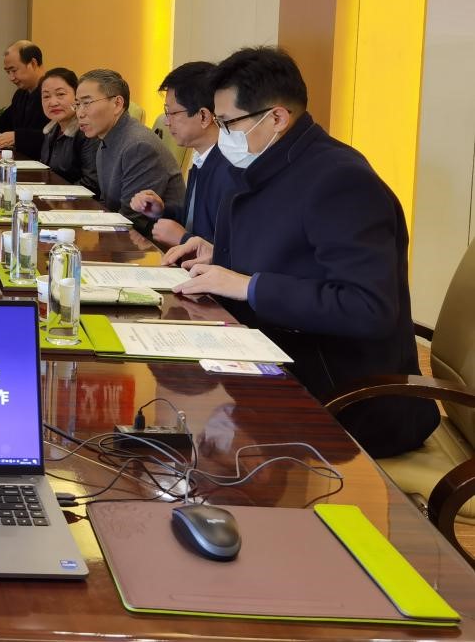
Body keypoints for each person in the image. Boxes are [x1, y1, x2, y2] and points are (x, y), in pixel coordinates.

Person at [164, 47, 437, 458]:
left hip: (346, 396)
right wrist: (219, 255)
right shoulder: (265, 165)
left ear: (276, 118)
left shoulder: (341, 181)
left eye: (229, 123)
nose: (223, 136)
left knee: (196, 451)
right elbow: (294, 256)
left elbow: (368, 307)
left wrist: (247, 285)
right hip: (278, 362)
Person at [130, 61, 237, 247]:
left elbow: (230, 249)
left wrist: (183, 239)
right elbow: (194, 220)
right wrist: (161, 211)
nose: (167, 122)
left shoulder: (230, 169)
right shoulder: (203, 158)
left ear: (203, 116)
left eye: (172, 113)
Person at [73, 68, 184, 237]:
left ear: (117, 104)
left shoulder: (138, 146)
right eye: (77, 104)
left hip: (151, 244)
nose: (80, 113)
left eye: (87, 103)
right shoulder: (106, 139)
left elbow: (132, 219)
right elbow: (106, 204)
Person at [37, 67, 98, 193]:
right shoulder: (51, 130)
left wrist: (56, 195)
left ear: (77, 96)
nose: (53, 102)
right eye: (46, 96)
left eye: (60, 94)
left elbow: (91, 183)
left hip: (77, 201)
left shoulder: (88, 131)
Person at [0, 40, 48, 155]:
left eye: (14, 70)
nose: (11, 78)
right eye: (8, 72)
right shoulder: (21, 94)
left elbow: (56, 135)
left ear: (33, 63)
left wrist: (18, 137)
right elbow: (3, 121)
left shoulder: (52, 95)